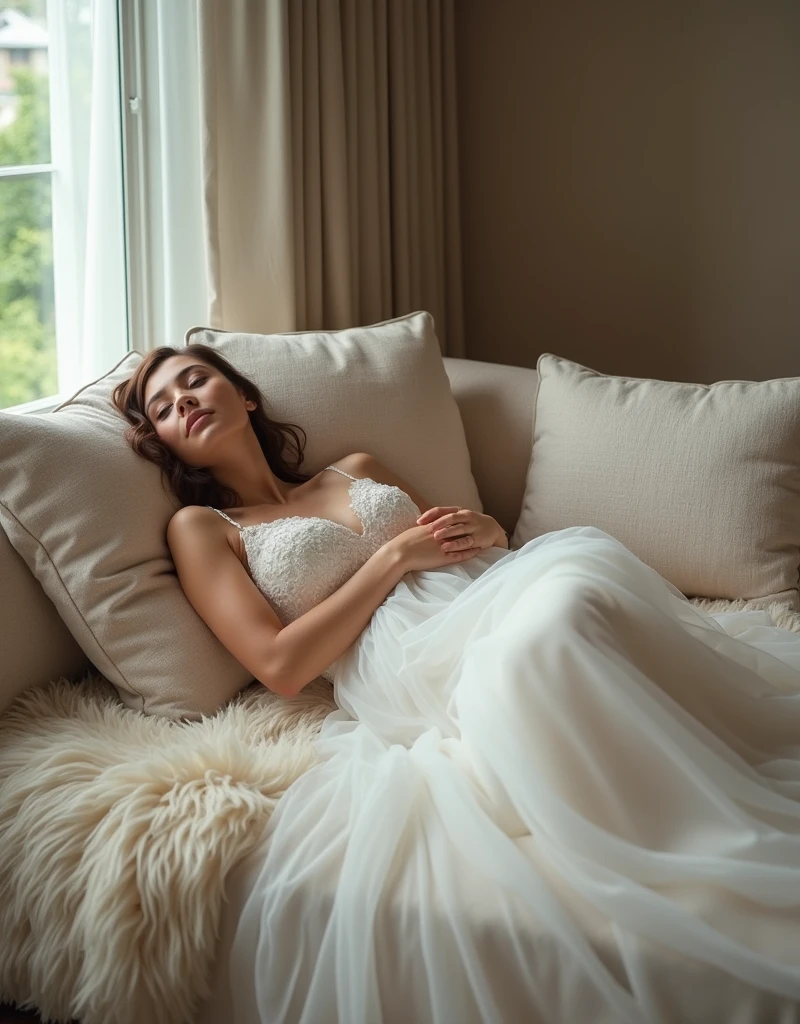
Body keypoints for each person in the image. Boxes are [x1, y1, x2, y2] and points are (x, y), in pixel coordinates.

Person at [114, 345, 800, 1024]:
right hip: (406, 655)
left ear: (245, 394)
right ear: (169, 443)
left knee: (581, 583)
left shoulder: (352, 469)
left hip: (490, 587)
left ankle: (687, 753)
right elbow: (282, 667)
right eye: (166, 409)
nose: (186, 404)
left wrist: (488, 527)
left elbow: (474, 540)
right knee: (549, 637)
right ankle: (676, 828)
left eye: (196, 382)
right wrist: (388, 559)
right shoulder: (203, 528)